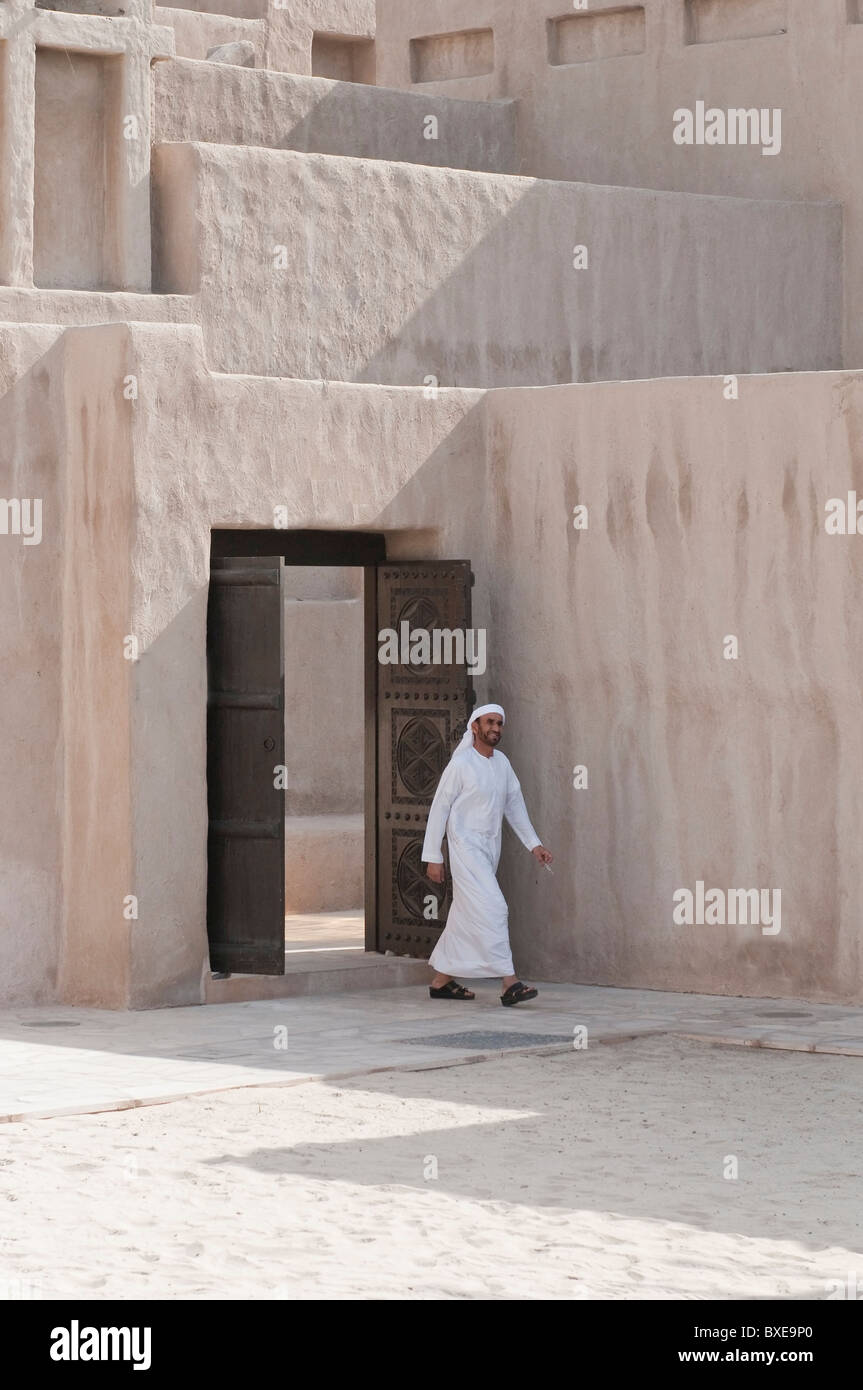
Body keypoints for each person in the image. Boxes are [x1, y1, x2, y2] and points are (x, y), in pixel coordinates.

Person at [421, 703, 553, 1006]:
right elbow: (440, 807)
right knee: (495, 906)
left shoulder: (502, 763)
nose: (495, 728)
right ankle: (510, 983)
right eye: (489, 722)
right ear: (475, 727)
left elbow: (514, 805)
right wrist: (433, 856)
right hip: (464, 847)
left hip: (489, 848)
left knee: (465, 915)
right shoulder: (461, 764)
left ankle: (442, 981)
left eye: (499, 723)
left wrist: (534, 844)